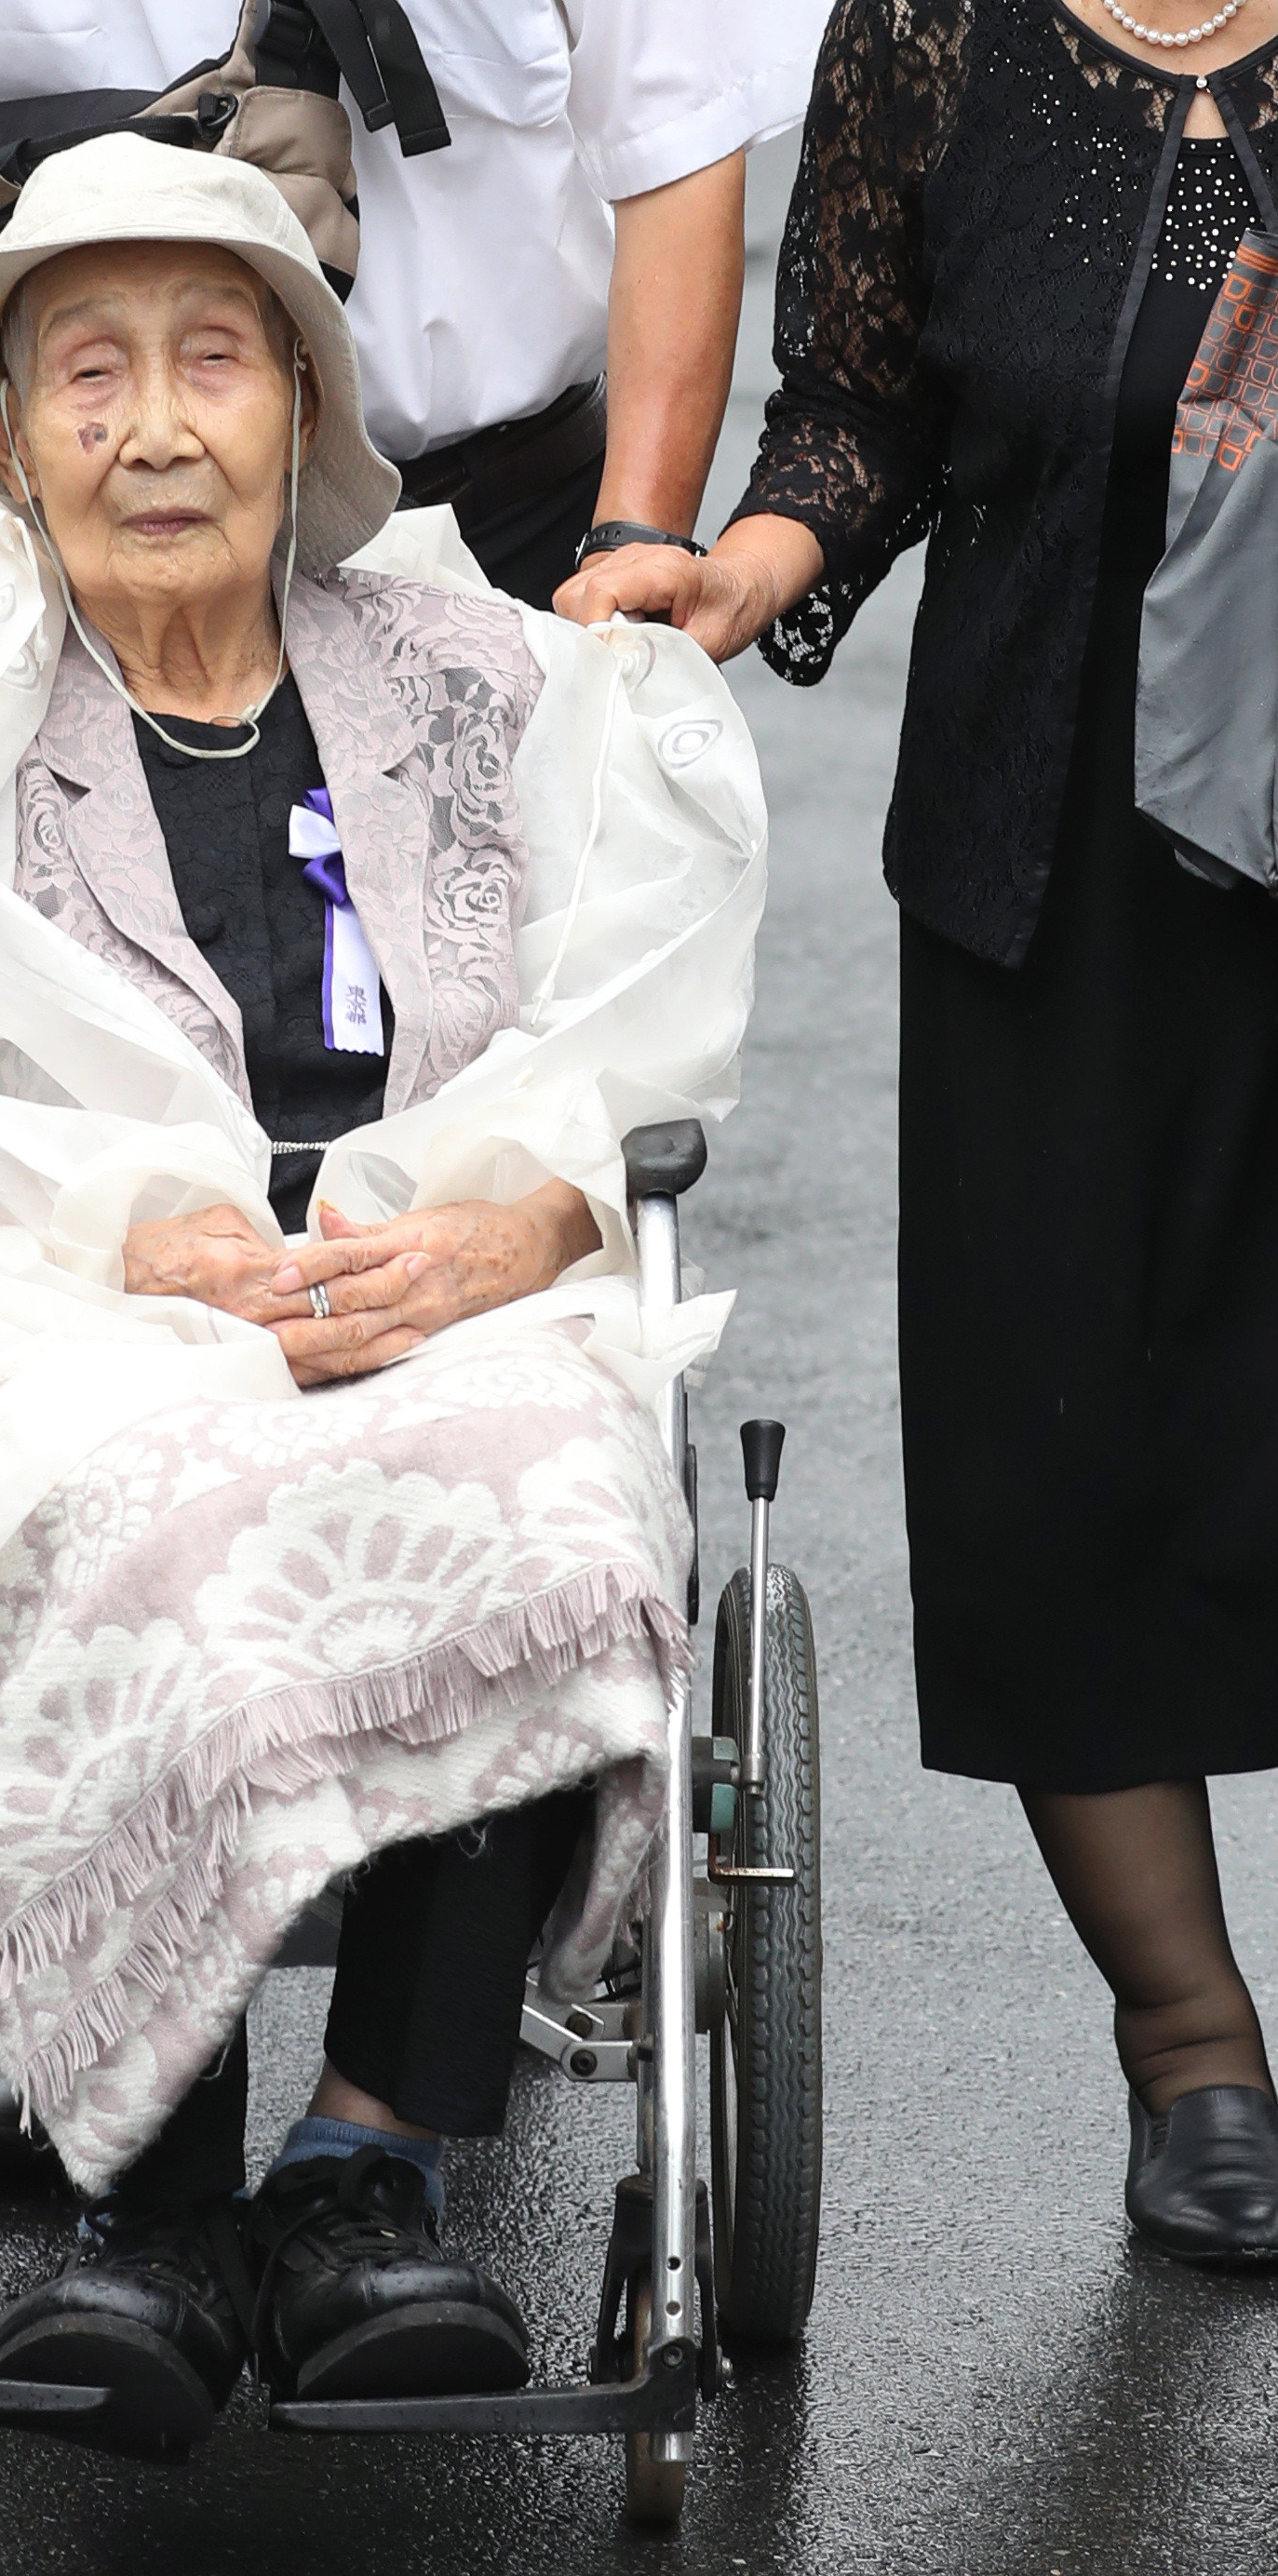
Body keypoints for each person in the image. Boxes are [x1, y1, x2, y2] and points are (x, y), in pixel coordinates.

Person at [0, 0, 825, 2180]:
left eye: (221, 372)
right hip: (43, 653)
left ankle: (374, 2148)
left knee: (541, 1487)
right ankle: (141, 2145)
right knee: (137, 1477)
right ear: (13, 417)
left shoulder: (500, 688)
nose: (168, 422)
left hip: (505, 504)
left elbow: (678, 136)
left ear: (295, 399)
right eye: (95, 377)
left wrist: (514, 1215)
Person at [574, 0, 1278, 2266]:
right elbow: (863, 402)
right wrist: (745, 565)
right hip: (1046, 842)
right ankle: (1196, 2055)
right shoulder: (935, 27)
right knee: (1054, 1449)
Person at [0, 0, 832, 672]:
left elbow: (673, 143)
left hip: (511, 535)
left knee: (527, 1047)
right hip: (88, 561)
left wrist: (632, 537)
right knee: (88, 1058)